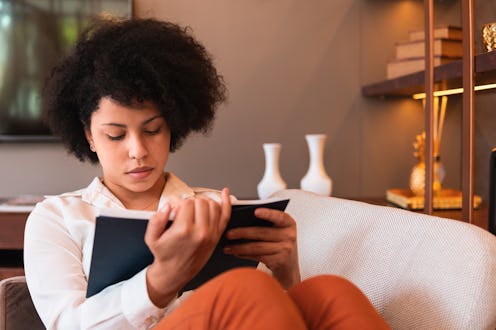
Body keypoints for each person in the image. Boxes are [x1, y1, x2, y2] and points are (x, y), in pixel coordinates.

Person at [23, 16, 390, 329]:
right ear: (88, 135)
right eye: (115, 135)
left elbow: (274, 314)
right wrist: (160, 281)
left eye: (152, 130)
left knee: (330, 292)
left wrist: (285, 272)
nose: (138, 150)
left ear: (175, 125)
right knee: (245, 290)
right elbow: (69, 324)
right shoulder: (57, 219)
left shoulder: (215, 208)